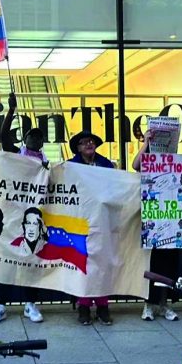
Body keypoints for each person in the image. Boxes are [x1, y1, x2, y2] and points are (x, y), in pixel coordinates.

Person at [0, 93, 45, 326]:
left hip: (32, 218)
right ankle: (0, 306)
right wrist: (11, 111)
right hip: (11, 217)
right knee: (7, 263)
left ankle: (30, 304)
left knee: (31, 262)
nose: (34, 140)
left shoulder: (44, 162)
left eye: (38, 138)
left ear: (42, 143)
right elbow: (3, 136)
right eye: (31, 136)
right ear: (25, 139)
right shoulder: (15, 154)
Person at [67, 131, 114, 325]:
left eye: (92, 141)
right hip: (79, 220)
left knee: (102, 263)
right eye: (84, 142)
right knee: (83, 264)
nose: (89, 144)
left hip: (102, 219)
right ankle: (84, 305)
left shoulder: (107, 164)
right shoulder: (70, 166)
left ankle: (103, 306)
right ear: (77, 148)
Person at [132, 129, 179, 322]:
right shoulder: (148, 158)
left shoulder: (175, 160)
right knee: (151, 264)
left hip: (171, 218)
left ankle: (164, 304)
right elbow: (136, 165)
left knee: (169, 265)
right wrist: (146, 142)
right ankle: (148, 304)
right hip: (151, 220)